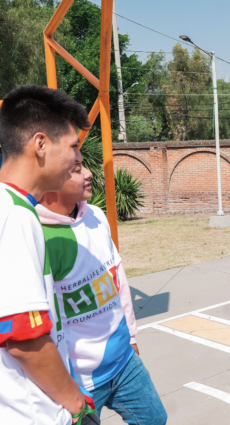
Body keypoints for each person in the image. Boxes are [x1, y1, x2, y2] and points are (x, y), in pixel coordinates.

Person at [36, 161, 167, 424]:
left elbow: (119, 281)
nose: (88, 173)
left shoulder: (96, 215)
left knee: (155, 419)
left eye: (83, 164)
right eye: (76, 168)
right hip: (78, 380)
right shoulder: (37, 234)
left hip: (124, 362)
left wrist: (131, 336)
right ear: (50, 177)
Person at [0, 85, 97, 424]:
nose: (76, 159)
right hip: (30, 411)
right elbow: (23, 335)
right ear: (40, 144)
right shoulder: (16, 214)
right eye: (73, 147)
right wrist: (78, 405)